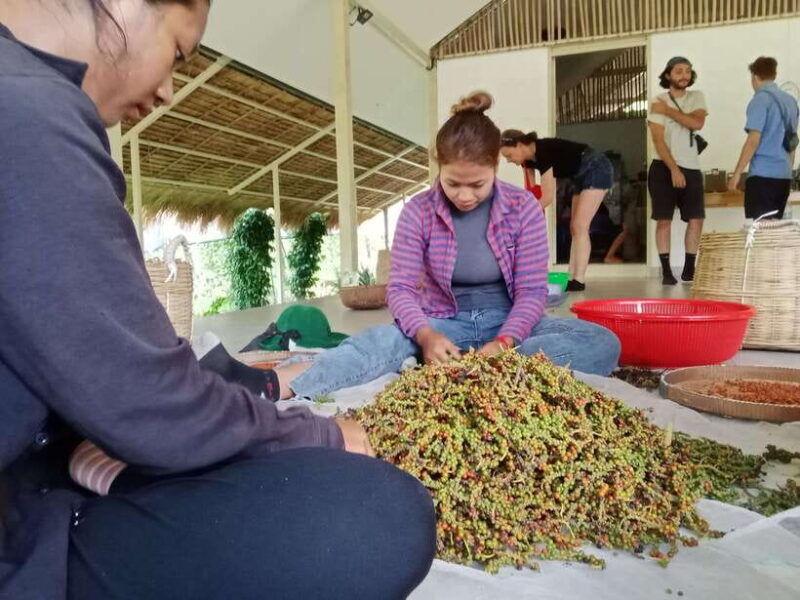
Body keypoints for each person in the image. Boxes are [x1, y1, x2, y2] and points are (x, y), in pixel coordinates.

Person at [0, 2, 435, 599]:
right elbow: (144, 401)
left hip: (44, 439)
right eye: (179, 53)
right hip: (21, 506)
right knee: (380, 515)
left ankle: (147, 448)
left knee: (232, 381)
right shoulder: (28, 113)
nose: (169, 91)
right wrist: (317, 436)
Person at [271, 92, 621, 403]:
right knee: (378, 343)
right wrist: (425, 335)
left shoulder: (523, 208)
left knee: (602, 344)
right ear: (439, 167)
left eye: (478, 184)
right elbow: (402, 289)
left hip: (508, 323)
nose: (465, 196)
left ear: (495, 167)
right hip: (442, 321)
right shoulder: (418, 211)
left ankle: (484, 367)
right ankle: (276, 385)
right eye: (453, 183)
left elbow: (531, 292)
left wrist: (504, 344)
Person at [499, 130, 614, 292]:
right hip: (579, 175)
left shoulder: (544, 151)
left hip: (596, 167)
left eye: (509, 155)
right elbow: (530, 194)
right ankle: (571, 278)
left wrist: (521, 217)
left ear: (519, 145)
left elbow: (546, 198)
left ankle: (578, 280)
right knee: (575, 227)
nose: (509, 161)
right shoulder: (529, 160)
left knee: (580, 226)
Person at [647, 56, 708, 285]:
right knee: (664, 219)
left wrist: (669, 111)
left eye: (688, 71)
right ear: (668, 75)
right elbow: (658, 140)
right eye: (679, 71)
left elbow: (697, 124)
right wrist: (674, 169)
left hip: (691, 166)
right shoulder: (657, 100)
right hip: (663, 166)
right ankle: (666, 271)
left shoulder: (697, 97)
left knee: (696, 218)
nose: (684, 75)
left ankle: (689, 267)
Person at [729, 56, 799, 220]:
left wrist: (737, 174)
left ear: (754, 76)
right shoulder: (791, 102)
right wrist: (787, 170)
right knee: (774, 231)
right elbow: (792, 142)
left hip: (762, 176)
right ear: (774, 75)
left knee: (759, 232)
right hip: (783, 176)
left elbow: (753, 140)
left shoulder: (760, 100)